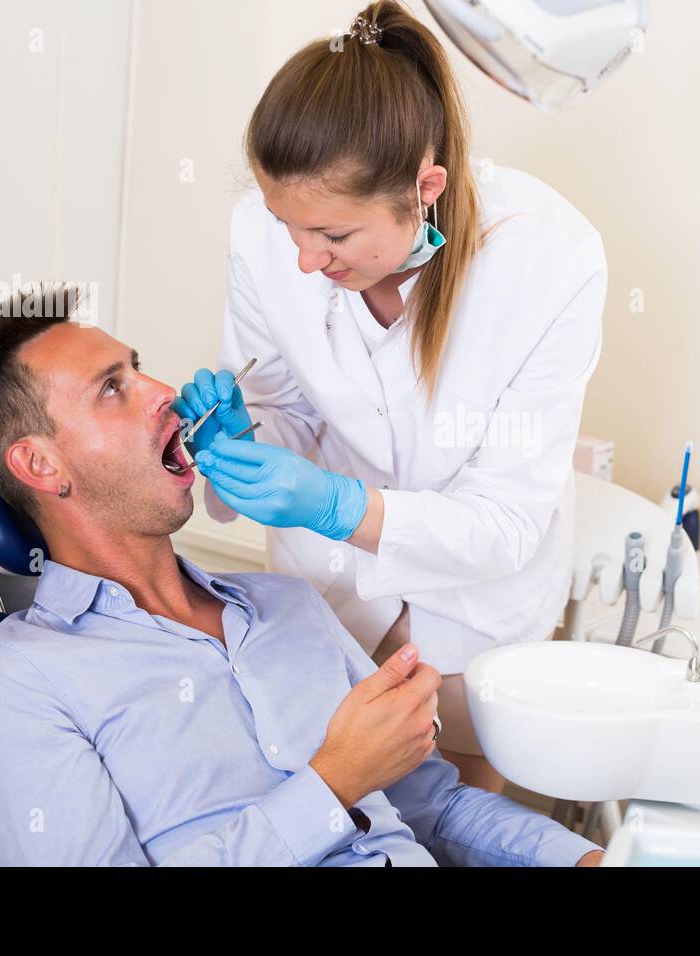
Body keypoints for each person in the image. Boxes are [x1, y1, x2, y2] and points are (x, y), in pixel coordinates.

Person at [0, 287, 603, 867]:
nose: (166, 393)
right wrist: (332, 783)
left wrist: (586, 857)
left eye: (137, 369)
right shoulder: (17, 682)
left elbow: (435, 808)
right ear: (41, 466)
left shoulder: (290, 605)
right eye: (113, 388)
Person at [177, 1, 606, 793]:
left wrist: (343, 504)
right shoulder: (258, 236)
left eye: (334, 237)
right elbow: (282, 408)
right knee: (342, 811)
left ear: (425, 189)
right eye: (288, 225)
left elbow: (506, 521)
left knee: (468, 818)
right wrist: (246, 438)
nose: (305, 261)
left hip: (478, 616)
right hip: (329, 597)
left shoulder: (551, 257)